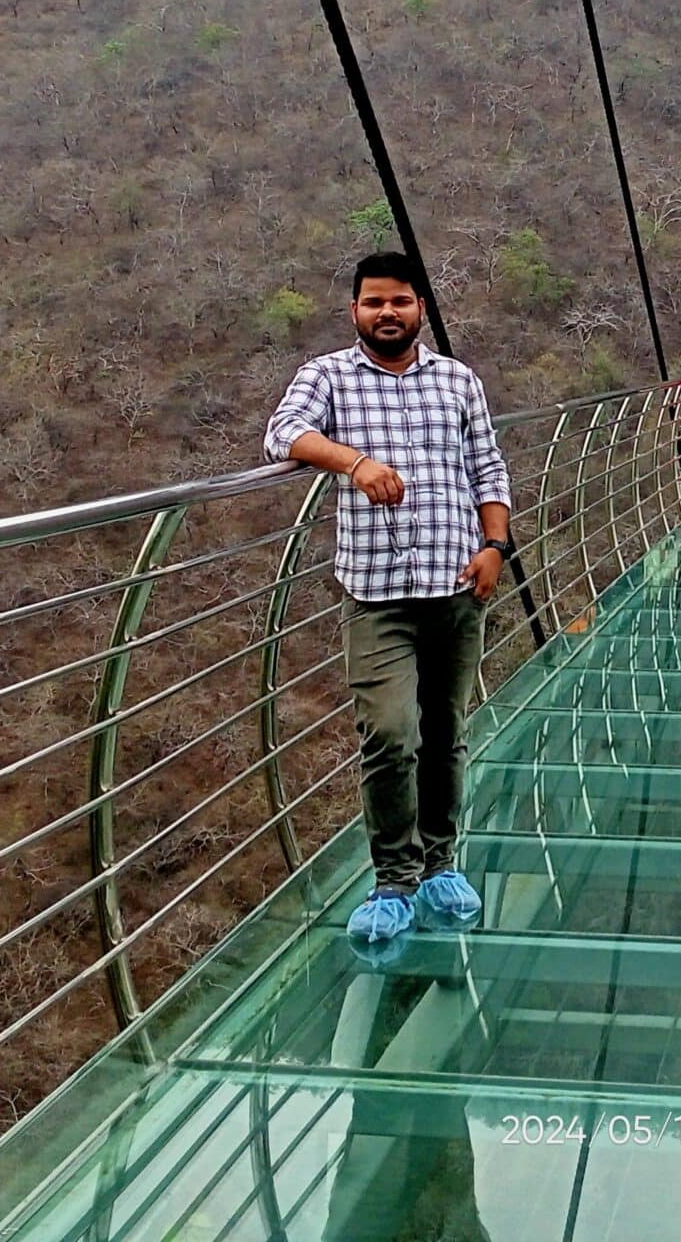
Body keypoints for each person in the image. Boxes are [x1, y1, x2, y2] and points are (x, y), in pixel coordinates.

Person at [264, 251, 513, 946]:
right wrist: (355, 462)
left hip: (458, 588)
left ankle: (440, 866)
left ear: (420, 308)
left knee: (445, 734)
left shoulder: (458, 380)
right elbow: (281, 434)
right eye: (374, 302)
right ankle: (394, 880)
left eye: (400, 301)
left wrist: (496, 546)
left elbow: (487, 467)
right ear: (355, 310)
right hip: (378, 598)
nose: (387, 313)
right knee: (389, 734)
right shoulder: (329, 376)